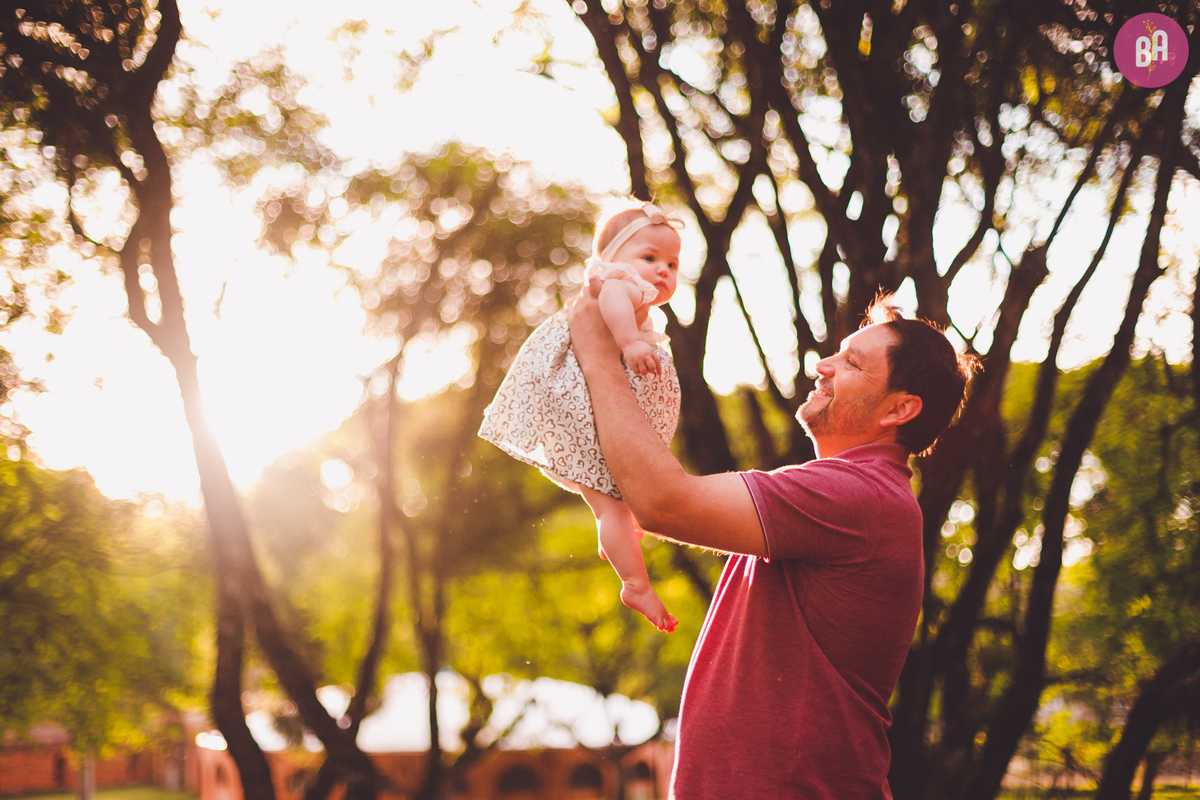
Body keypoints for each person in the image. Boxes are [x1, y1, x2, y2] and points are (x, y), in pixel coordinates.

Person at [567, 290, 978, 799]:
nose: (822, 366)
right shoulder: (841, 492)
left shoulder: (857, 495)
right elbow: (655, 501)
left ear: (899, 409)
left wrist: (596, 354)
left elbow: (663, 504)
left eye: (850, 362)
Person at [479, 200, 686, 633]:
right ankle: (636, 584)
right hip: (581, 400)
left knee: (614, 503)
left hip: (581, 404)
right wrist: (630, 343)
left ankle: (618, 542)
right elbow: (613, 299)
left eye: (672, 262)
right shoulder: (620, 284)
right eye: (649, 257)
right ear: (610, 258)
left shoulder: (633, 290)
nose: (663, 270)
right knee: (612, 505)